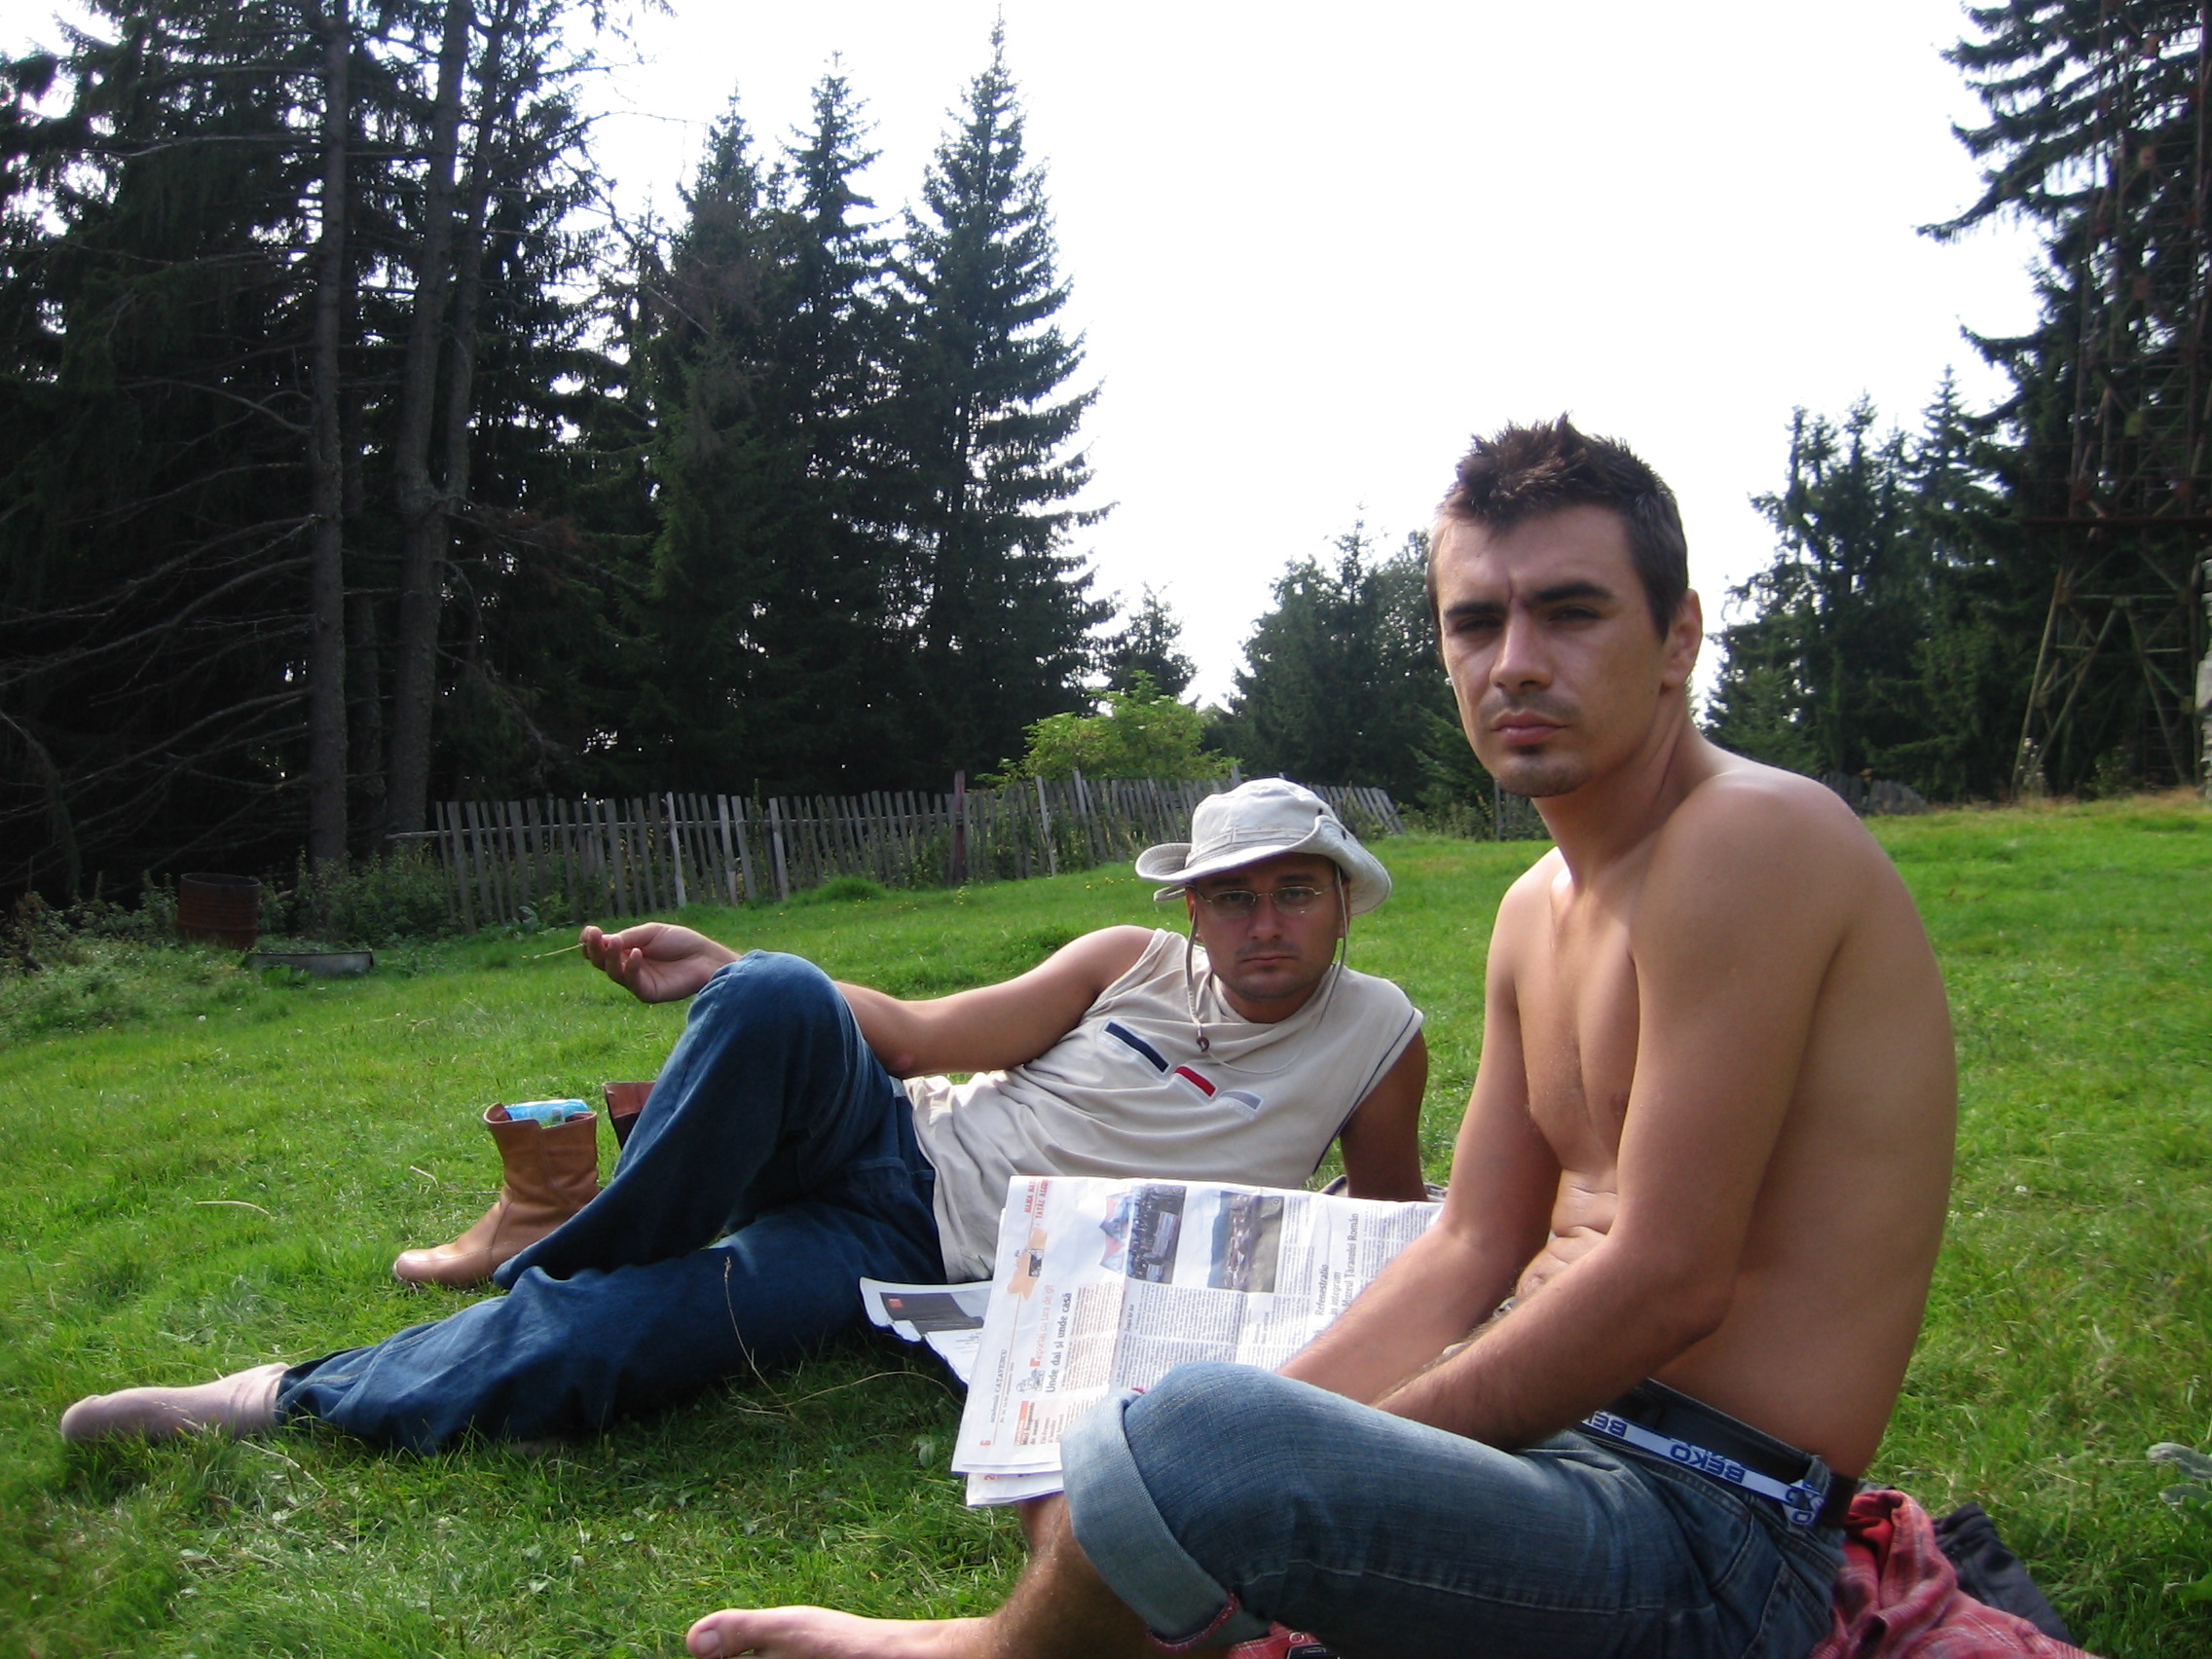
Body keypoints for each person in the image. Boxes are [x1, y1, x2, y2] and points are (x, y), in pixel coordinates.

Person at [682, 417, 1957, 1659]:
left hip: (1713, 1530)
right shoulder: (1534, 911)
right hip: (1565, 1448)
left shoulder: (1749, 840)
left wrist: (1300, 1446)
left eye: (1571, 612)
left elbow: (1671, 1276)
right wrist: (1298, 1426)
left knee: (1195, 1446)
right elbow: (1471, 1241)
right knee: (1156, 1436)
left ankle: (973, 1653)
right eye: (1476, 622)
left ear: (1678, 636)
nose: (1516, 662)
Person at [58, 779, 1428, 1453]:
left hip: (925, 1262)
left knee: (647, 1332)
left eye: (1292, 892)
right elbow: (918, 1036)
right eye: (1232, 896)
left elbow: (1379, 1227)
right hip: (895, 1141)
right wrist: (728, 965)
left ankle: (280, 1395)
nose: (1263, 923)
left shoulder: (1377, 1036)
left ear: (1342, 899)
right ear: (1192, 905)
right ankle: (567, 1240)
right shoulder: (1123, 961)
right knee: (776, 988)